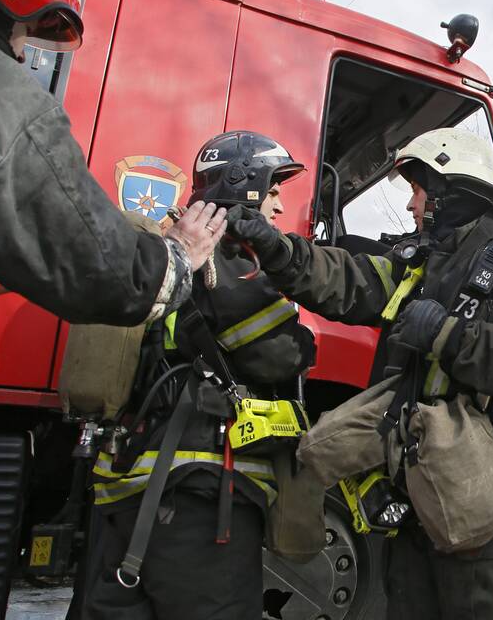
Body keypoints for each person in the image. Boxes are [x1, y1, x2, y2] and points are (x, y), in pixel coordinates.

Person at [228, 127, 493, 620]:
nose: (413, 206)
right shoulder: (420, 269)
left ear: (451, 191)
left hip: (484, 517)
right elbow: (344, 279)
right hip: (418, 503)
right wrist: (279, 251)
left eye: (420, 191)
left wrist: (448, 334)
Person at [74, 131, 315, 620]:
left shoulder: (161, 250)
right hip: (197, 495)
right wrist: (304, 334)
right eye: (272, 191)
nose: (279, 208)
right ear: (241, 185)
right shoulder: (222, 262)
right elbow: (283, 355)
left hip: (133, 482)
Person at [0, 0, 222, 324]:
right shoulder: (0, 98)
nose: (23, 55)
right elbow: (115, 281)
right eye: (26, 31)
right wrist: (179, 253)